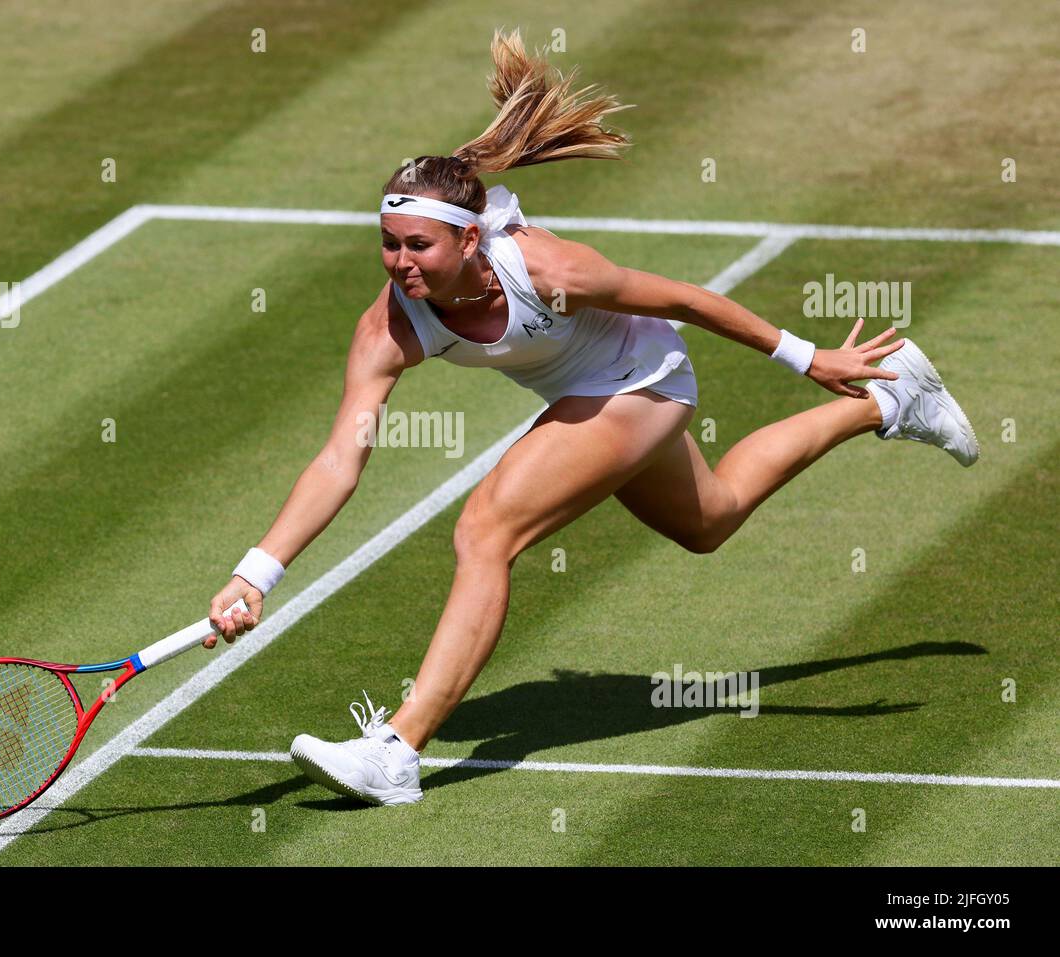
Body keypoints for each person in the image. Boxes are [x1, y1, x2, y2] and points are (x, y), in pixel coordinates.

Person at [201, 28, 979, 807]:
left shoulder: (549, 269)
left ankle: (399, 750)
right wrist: (257, 570)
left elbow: (684, 299)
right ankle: (890, 398)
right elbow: (344, 455)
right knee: (710, 520)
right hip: (589, 397)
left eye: (418, 246)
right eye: (387, 244)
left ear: (470, 240)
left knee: (484, 530)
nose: (400, 263)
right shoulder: (390, 326)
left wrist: (810, 358)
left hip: (643, 378)